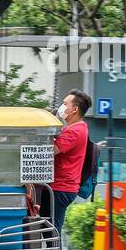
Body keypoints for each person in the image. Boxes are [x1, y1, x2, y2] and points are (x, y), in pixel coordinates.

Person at [46, 89, 91, 232]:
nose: (61, 107)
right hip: (60, 186)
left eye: (65, 104)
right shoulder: (73, 128)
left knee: (52, 229)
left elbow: (51, 150)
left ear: (75, 110)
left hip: (61, 187)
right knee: (49, 228)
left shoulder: (76, 131)